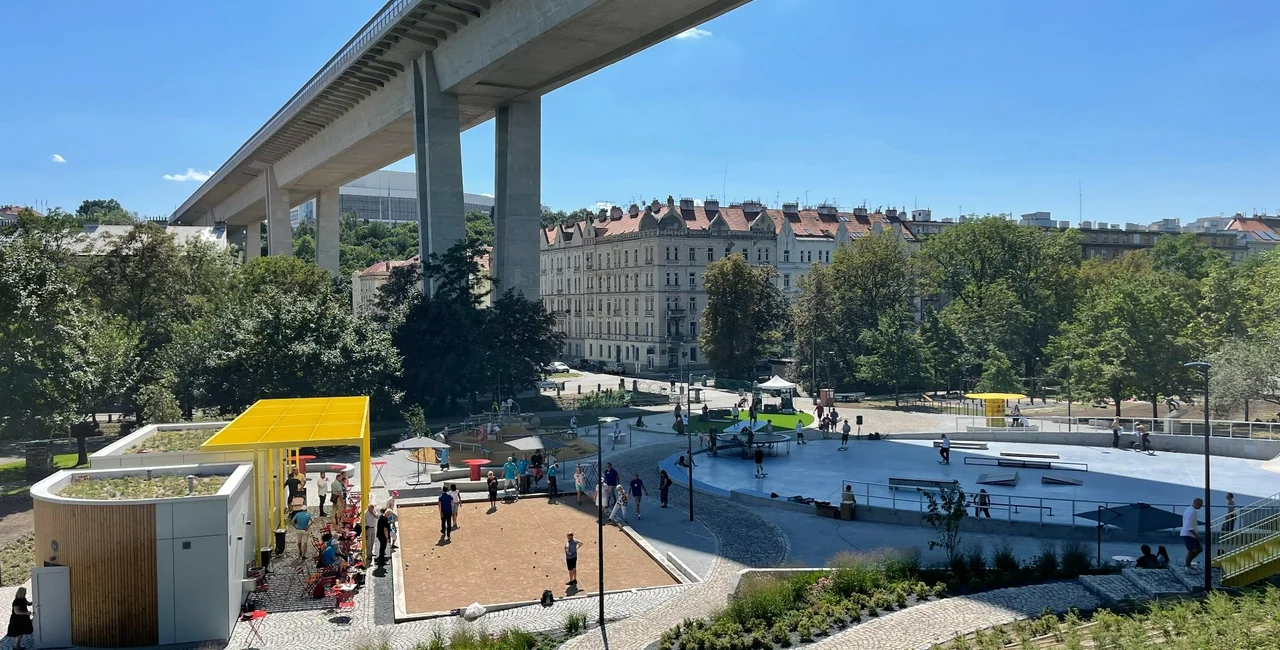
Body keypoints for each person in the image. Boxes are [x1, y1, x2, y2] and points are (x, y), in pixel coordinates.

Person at [1181, 497, 1203, 567]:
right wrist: (1196, 535)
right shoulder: (1192, 511)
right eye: (1200, 505)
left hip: (1190, 533)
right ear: (1196, 503)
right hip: (1189, 534)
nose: (1200, 507)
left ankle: (1188, 563)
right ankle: (1187, 565)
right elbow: (1189, 525)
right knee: (1192, 550)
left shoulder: (1189, 510)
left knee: (1198, 549)